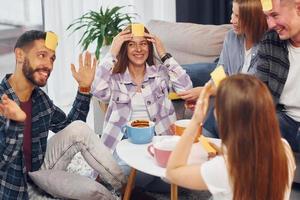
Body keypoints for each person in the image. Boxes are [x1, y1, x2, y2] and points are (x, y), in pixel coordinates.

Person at [0, 30, 126, 199]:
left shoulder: (40, 99)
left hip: (37, 172)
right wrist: (15, 124)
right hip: (11, 189)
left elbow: (72, 129)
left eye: (52, 58)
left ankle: (126, 187)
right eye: (42, 55)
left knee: (79, 129)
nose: (49, 65)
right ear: (20, 55)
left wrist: (84, 89)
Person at [166, 74, 295, 200]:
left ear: (225, 117)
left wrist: (195, 120)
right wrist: (223, 153)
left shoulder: (225, 168)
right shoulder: (284, 148)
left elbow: (173, 172)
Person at [92, 24, 192, 153]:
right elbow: (97, 90)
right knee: (122, 172)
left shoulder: (161, 74)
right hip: (122, 142)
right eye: (131, 44)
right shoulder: (115, 78)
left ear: (149, 47)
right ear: (124, 49)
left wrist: (164, 54)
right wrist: (112, 52)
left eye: (143, 43)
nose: (138, 49)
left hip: (159, 141)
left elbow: (186, 88)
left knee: (158, 172)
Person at [177, 0, 268, 138]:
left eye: (238, 16)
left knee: (221, 112)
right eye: (232, 13)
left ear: (253, 18)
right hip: (228, 96)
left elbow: (249, 90)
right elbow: (221, 71)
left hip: (248, 104)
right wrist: (204, 93)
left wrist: (205, 91)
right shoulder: (231, 37)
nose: (232, 20)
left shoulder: (268, 47)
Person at [256, 0, 300, 152]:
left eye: (274, 15)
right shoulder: (270, 41)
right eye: (267, 17)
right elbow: (260, 91)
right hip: (283, 120)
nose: (270, 24)